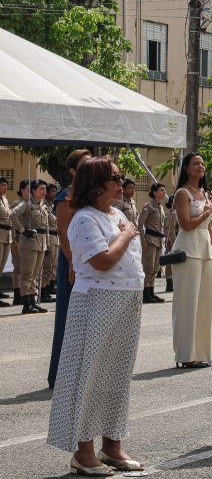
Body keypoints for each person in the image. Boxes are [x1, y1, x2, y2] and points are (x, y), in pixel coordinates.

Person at [47, 156, 145, 475]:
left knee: (117, 375)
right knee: (88, 376)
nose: (121, 182)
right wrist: (126, 235)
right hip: (96, 300)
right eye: (115, 177)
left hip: (126, 299)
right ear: (96, 185)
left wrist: (125, 233)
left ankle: (112, 446)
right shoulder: (85, 218)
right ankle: (84, 451)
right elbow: (102, 261)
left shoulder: (117, 214)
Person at [47, 149, 92, 389]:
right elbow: (63, 231)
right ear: (73, 170)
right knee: (68, 317)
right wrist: (73, 262)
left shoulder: (92, 194)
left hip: (92, 258)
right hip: (73, 260)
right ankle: (60, 376)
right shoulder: (66, 195)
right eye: (84, 164)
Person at [170, 152, 212, 368]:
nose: (201, 166)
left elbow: (209, 226)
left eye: (202, 163)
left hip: (204, 249)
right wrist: (205, 213)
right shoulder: (182, 193)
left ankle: (200, 352)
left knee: (204, 304)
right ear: (187, 168)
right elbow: (186, 224)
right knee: (187, 304)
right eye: (196, 163)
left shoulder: (205, 193)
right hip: (188, 250)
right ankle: (185, 354)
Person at [12, 180, 50, 314]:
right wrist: (23, 230)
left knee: (35, 274)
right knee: (27, 274)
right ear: (33, 191)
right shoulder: (27, 204)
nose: (44, 191)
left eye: (45, 189)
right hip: (29, 242)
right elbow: (13, 215)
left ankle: (33, 302)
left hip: (41, 243)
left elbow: (46, 226)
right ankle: (26, 303)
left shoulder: (43, 205)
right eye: (41, 189)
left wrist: (47, 244)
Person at [139, 183, 169, 304]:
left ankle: (151, 292)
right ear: (154, 192)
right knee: (148, 268)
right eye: (161, 190)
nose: (164, 192)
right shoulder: (148, 206)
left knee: (155, 268)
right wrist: (143, 241)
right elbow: (140, 224)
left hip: (159, 241)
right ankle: (145, 293)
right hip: (150, 240)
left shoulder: (161, 207)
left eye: (164, 190)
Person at [41, 183, 59, 303]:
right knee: (47, 265)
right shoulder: (44, 205)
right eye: (52, 191)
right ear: (47, 193)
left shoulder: (53, 205)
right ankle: (44, 289)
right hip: (49, 236)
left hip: (56, 236)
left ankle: (50, 286)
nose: (55, 194)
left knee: (53, 265)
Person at [0, 177, 13, 308]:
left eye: (6, 185)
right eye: (3, 185)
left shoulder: (4, 199)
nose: (6, 187)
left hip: (6, 236)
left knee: (1, 266)